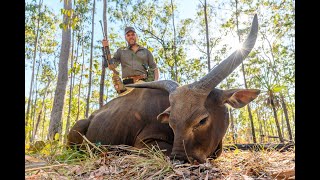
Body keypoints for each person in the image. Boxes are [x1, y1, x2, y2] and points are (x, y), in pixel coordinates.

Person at [102, 26, 159, 95]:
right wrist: (106, 48)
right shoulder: (121, 51)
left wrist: (155, 85)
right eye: (128, 35)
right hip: (127, 86)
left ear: (136, 36)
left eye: (132, 34)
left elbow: (154, 68)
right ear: (125, 38)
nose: (131, 37)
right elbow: (111, 66)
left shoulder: (146, 52)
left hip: (143, 84)